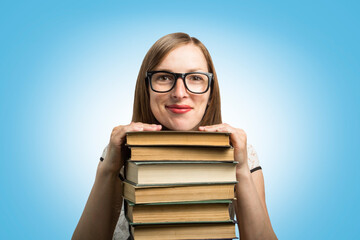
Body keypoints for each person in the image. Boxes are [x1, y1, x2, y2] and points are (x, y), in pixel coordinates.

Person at [72, 32, 277, 240]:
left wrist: (240, 169)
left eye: (196, 78)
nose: (179, 93)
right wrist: (109, 169)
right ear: (147, 90)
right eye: (164, 77)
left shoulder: (243, 153)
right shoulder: (118, 150)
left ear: (210, 94)